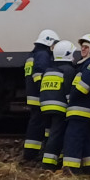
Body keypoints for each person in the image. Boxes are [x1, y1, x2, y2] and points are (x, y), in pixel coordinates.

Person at [61, 33, 90, 173]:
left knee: (73, 137)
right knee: (87, 139)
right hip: (86, 110)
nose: (83, 50)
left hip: (80, 109)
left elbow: (83, 86)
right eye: (82, 47)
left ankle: (70, 169)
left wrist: (70, 97)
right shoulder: (87, 64)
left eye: (86, 47)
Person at [40, 40, 77, 171]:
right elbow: (68, 92)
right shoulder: (69, 70)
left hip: (45, 107)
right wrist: (71, 105)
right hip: (60, 108)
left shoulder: (49, 70)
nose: (74, 58)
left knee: (48, 134)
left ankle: (45, 157)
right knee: (56, 134)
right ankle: (49, 165)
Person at [23, 29, 59, 163]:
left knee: (36, 123)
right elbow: (39, 75)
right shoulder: (43, 55)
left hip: (33, 95)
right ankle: (32, 154)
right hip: (40, 96)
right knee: (38, 124)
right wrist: (45, 91)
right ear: (49, 42)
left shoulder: (32, 55)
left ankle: (32, 152)